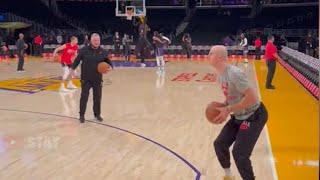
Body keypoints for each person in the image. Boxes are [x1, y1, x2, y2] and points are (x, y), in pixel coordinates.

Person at [208, 45, 268, 180]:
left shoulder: (234, 74)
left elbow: (252, 98)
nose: (208, 56)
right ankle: (229, 175)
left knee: (240, 153)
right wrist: (223, 106)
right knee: (219, 144)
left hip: (254, 115)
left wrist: (228, 109)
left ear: (219, 57)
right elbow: (232, 97)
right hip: (239, 115)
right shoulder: (221, 76)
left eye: (210, 53)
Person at [70, 33, 113, 123]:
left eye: (98, 40)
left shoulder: (103, 51)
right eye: (95, 40)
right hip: (86, 78)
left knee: (97, 98)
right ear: (91, 41)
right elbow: (77, 60)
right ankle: (81, 115)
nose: (97, 42)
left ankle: (97, 114)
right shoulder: (84, 50)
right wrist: (72, 69)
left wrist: (110, 67)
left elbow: (108, 62)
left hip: (97, 79)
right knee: (84, 97)